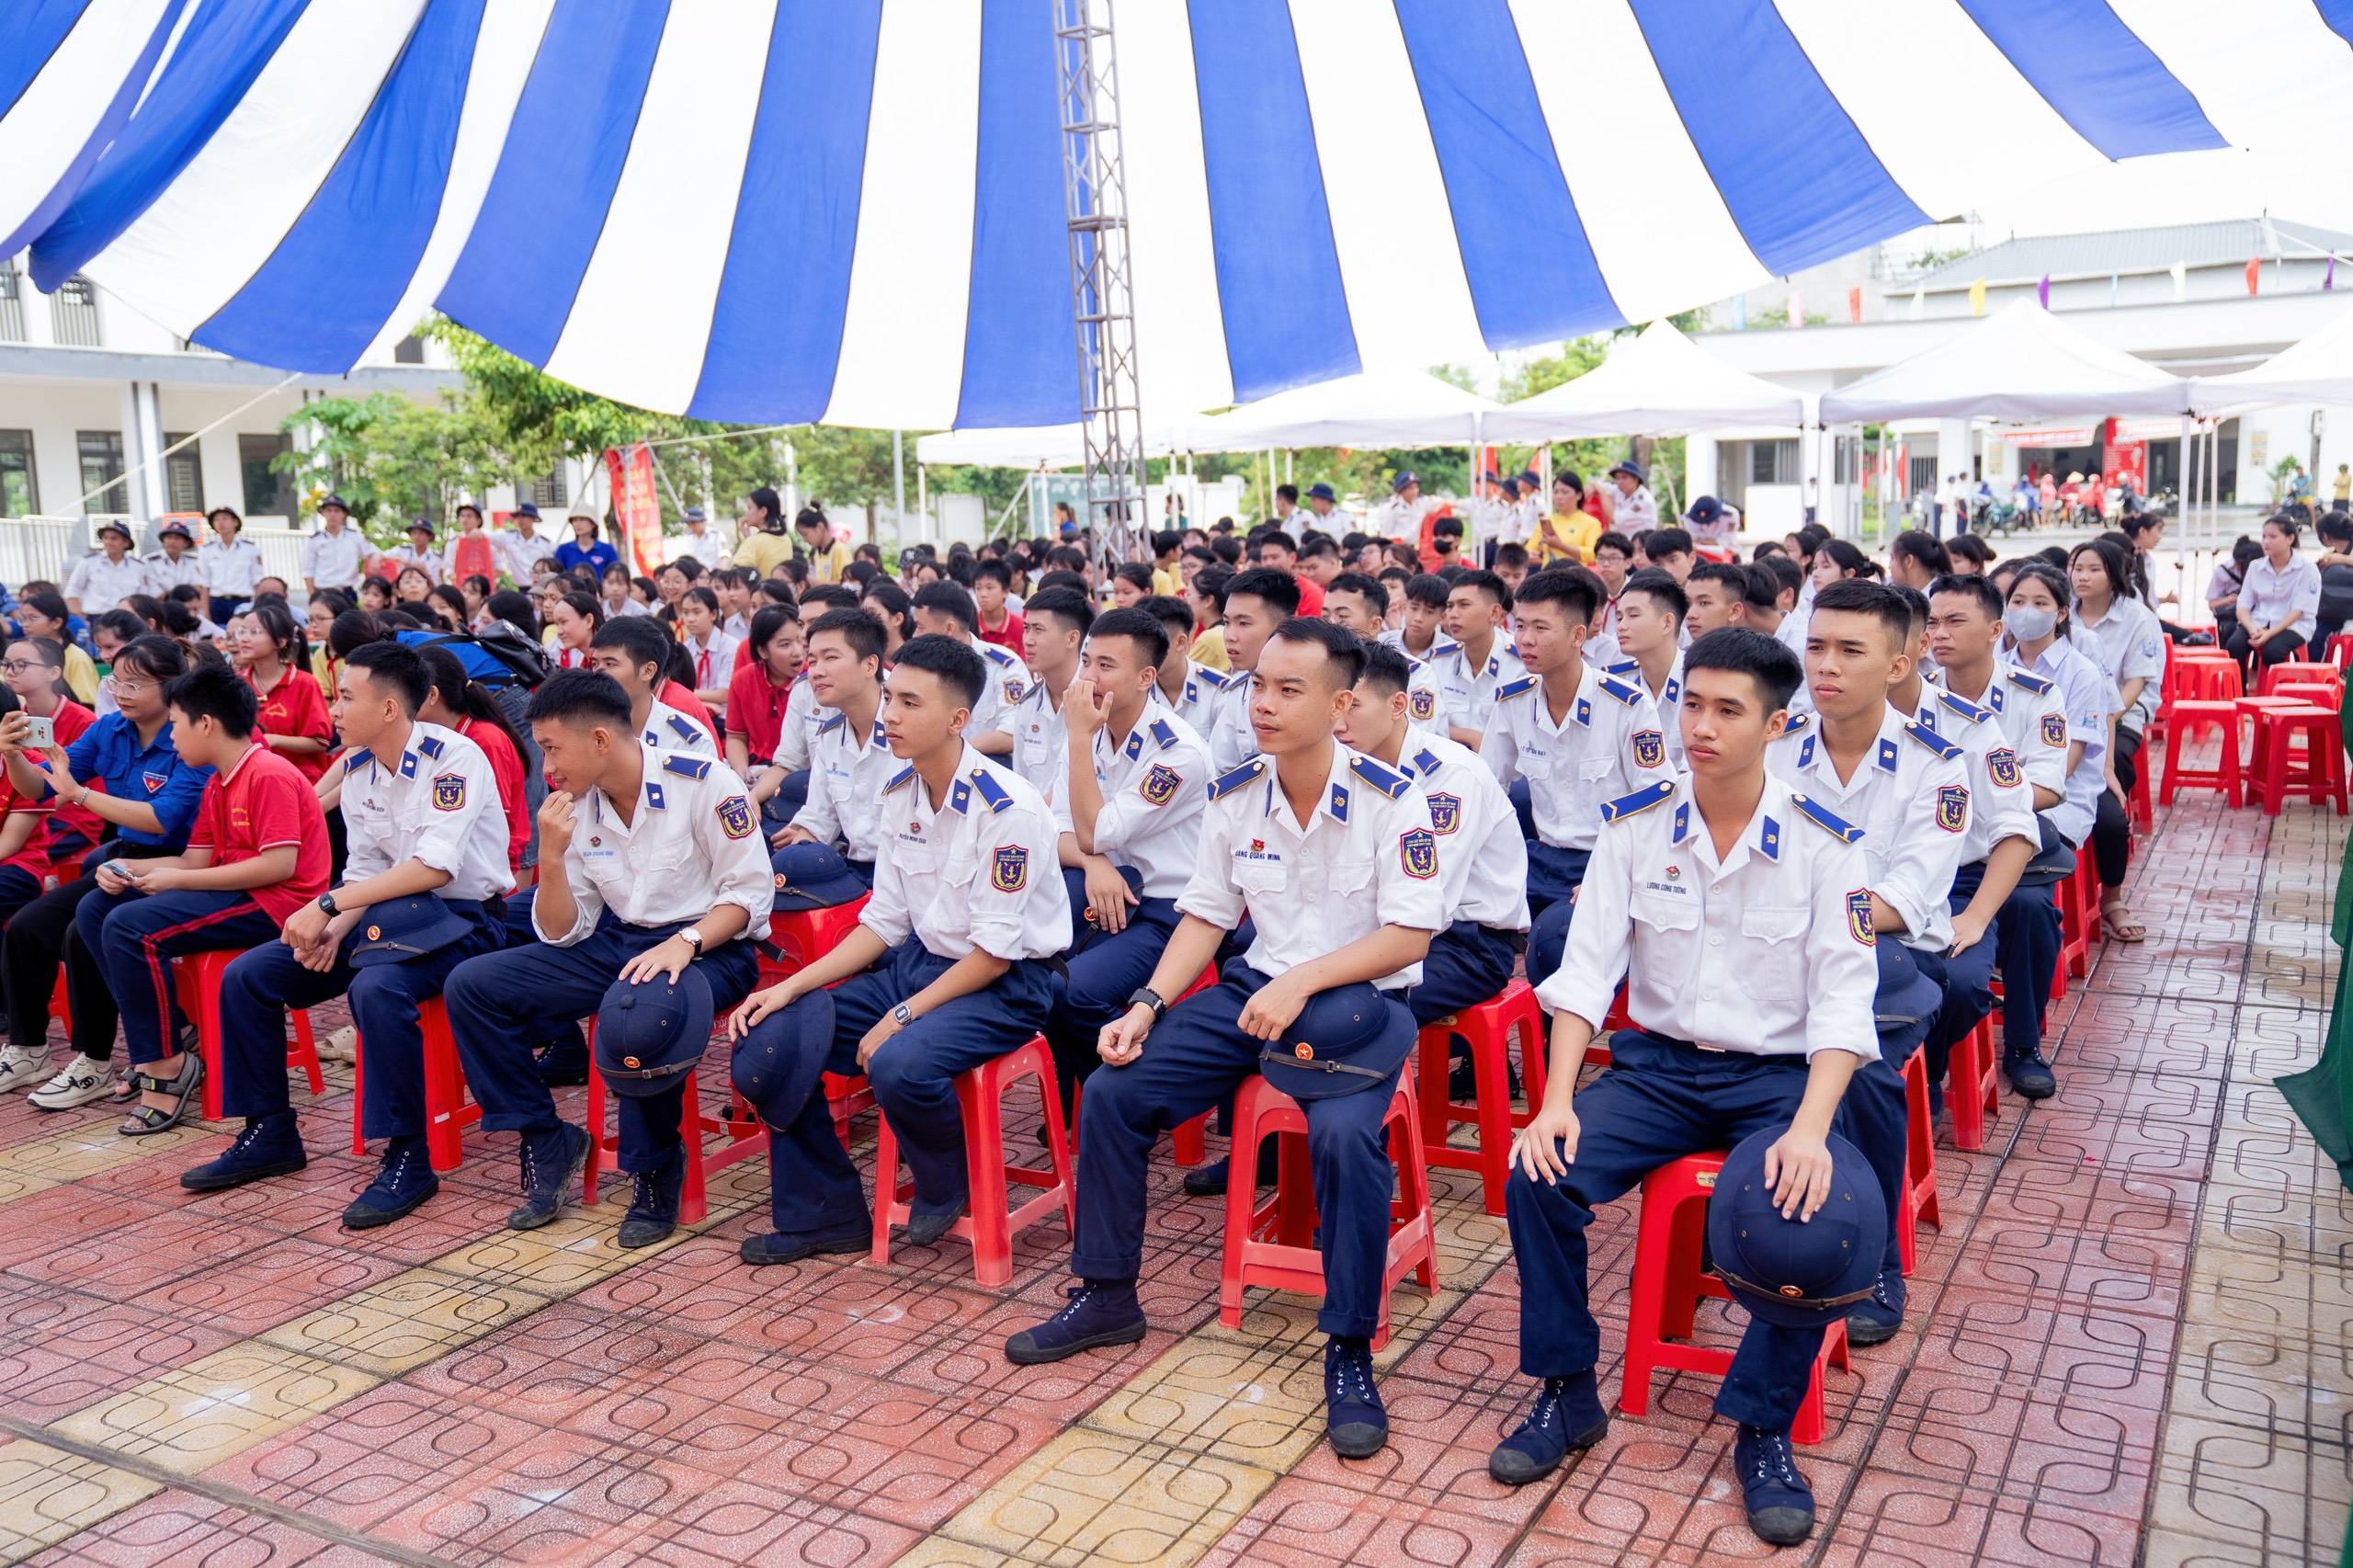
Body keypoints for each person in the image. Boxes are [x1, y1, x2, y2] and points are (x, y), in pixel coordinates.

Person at [1002, 619, 1445, 1463]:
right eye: (1258, 688)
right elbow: (1207, 912)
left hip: (1357, 1006)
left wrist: (1303, 980)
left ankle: (1349, 1349)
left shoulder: (1397, 799)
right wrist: (1147, 1003)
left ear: (1342, 703)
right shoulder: (1238, 793)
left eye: (1289, 690)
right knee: (1112, 1092)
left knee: (1348, 1143)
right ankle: (1105, 1295)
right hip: (1252, 994)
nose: (1264, 704)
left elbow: (1411, 936)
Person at [1495, 627, 1879, 1547]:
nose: (1699, 725)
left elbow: (1844, 999)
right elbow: (1583, 975)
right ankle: (1565, 1387)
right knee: (1536, 1174)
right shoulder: (1635, 824)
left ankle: (1762, 1428)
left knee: (1802, 1220)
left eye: (1726, 710)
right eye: (1690, 703)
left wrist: (1811, 1129)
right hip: (1659, 1070)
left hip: (1774, 1078)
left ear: (1778, 725)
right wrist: (1553, 1101)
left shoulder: (1827, 845)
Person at [728, 636, 1069, 1262]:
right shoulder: (901, 794)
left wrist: (903, 1014)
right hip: (921, 967)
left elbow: (993, 955)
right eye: (890, 697)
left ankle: (949, 1177)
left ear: (958, 719)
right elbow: (882, 922)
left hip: (1004, 987)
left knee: (898, 1063)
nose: (890, 715)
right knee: (774, 1042)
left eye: (910, 703)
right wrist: (793, 986)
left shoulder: (1008, 809)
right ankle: (825, 1216)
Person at [441, 669, 774, 1245]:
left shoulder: (704, 781)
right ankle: (546, 1136)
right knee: (472, 985)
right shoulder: (575, 805)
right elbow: (564, 932)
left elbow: (750, 894)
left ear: (599, 739)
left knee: (639, 1015)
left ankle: (654, 1168)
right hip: (622, 942)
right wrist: (550, 856)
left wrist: (686, 942)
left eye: (551, 748)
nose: (546, 768)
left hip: (712, 947)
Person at [178, 641, 510, 1210]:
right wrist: (336, 926)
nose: (333, 709)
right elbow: (366, 867)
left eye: (346, 697)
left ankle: (409, 1155)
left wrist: (330, 908)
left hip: (463, 920)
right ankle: (271, 1131)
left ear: (388, 708)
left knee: (377, 988)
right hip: (381, 914)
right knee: (250, 976)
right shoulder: (359, 766)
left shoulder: (455, 759)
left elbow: (433, 867)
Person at [1764, 579, 1967, 1346]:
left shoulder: (1934, 766)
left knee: (1864, 1068)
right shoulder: (1775, 749)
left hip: (1893, 960)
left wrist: (1807, 912)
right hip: (1780, 953)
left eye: (1851, 651)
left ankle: (1877, 1260)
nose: (1827, 667)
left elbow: (1907, 898)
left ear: (1898, 664)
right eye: (1816, 647)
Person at [77, 665, 330, 1134]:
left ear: (207, 723)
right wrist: (124, 871)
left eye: (175, 723)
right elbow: (195, 861)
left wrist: (173, 881)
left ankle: (167, 1065)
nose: (171, 736)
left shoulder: (267, 772)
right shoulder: (219, 780)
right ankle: (174, 1036)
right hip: (235, 890)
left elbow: (280, 867)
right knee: (95, 907)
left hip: (275, 903)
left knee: (129, 927)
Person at [0, 637, 208, 1103]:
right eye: (116, 680)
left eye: (135, 683)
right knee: (29, 927)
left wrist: (80, 794)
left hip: (183, 863)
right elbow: (42, 789)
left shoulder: (188, 735)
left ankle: (96, 1060)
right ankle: (29, 1049)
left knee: (83, 929)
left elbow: (162, 817)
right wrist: (14, 755)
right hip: (125, 858)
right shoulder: (109, 729)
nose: (121, 691)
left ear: (171, 685)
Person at [1336, 641, 1527, 1095]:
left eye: (1354, 706)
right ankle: (1270, 1145)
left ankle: (1329, 1150)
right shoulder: (1344, 764)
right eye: (1333, 705)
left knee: (1347, 1012)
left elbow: (1429, 899)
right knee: (1261, 976)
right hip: (1378, 929)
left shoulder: (1447, 775)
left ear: (1399, 704)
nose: (1338, 722)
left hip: (1464, 944)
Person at [1479, 570, 1673, 992]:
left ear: (1577, 635)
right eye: (1519, 626)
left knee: (1555, 943)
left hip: (1603, 861)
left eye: (1540, 628)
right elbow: (1485, 788)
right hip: (1538, 860)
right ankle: (1483, 1054)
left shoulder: (1627, 706)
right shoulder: (1512, 701)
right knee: (1453, 928)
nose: (1524, 640)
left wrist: (1614, 874)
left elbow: (1658, 800)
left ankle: (1552, 1055)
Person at [1922, 574, 2068, 1100]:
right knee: (1942, 971)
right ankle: (1925, 1074)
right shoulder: (1910, 695)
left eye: (1956, 621)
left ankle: (2024, 1044)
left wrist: (1986, 797)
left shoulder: (2035, 695)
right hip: (1934, 860)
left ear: (1994, 630)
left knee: (2030, 911)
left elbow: (2049, 786)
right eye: (1933, 621)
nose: (1940, 633)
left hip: (2007, 849)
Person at [2067, 538, 2164, 943]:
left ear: (2114, 575)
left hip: (2121, 715)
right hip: (2062, 726)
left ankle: (2112, 897)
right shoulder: (2059, 614)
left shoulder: (2137, 618)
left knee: (2114, 772)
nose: (2082, 577)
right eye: (2076, 568)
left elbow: (2134, 683)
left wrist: (2099, 722)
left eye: (2093, 569)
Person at [767, 608, 893, 908]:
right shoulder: (830, 735)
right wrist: (789, 865)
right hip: (854, 871)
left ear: (869, 665)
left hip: (903, 878)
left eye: (830, 658)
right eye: (812, 660)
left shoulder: (908, 731)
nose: (815, 671)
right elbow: (819, 819)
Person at [911, 581, 1030, 759]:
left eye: (921, 627)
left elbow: (1013, 735)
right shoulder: (918, 669)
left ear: (949, 629)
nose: (914, 635)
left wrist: (954, 752)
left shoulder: (1003, 666)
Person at [1196, 569, 1296, 774]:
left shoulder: (1311, 687)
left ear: (1282, 627)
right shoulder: (1239, 691)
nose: (1230, 636)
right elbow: (1219, 769)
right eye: (1226, 623)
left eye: (1244, 623)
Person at [236, 599, 334, 783]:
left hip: (300, 782)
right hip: (251, 781)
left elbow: (320, 742)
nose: (244, 638)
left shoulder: (304, 683)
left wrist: (272, 739)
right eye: (242, 632)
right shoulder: (236, 683)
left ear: (280, 641)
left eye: (254, 632)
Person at [590, 617, 716, 758]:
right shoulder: (585, 726)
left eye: (610, 664)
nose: (598, 674)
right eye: (595, 664)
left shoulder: (685, 740)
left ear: (648, 671)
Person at [1432, 570, 1526, 751]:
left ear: (1494, 613)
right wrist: (1468, 736)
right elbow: (1425, 722)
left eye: (1464, 605)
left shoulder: (1520, 664)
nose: (1453, 614)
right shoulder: (1441, 661)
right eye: (1450, 606)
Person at [1613, 570, 1688, 771]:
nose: (1621, 626)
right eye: (1619, 618)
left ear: (1667, 623)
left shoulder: (1701, 681)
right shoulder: (1617, 684)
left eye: (1633, 615)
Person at [2233, 513, 2322, 673]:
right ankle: (2241, 694)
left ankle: (2284, 693)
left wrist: (2269, 634)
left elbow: (2298, 610)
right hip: (2258, 622)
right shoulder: (2255, 567)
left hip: (2294, 626)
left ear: (2290, 539)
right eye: (2264, 536)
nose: (2266, 542)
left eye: (2273, 537)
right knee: (2234, 646)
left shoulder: (2307, 568)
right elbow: (2243, 604)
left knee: (2272, 653)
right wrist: (2251, 627)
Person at [64, 520, 153, 616]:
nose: (108, 542)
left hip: (128, 618)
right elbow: (73, 590)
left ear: (126, 543)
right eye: (105, 538)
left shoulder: (138, 567)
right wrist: (80, 618)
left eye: (114, 538)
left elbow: (143, 597)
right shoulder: (89, 562)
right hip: (96, 618)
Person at [444, 504, 502, 588]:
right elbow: (448, 569)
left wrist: (481, 582)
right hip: (461, 589)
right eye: (462, 516)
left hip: (485, 589)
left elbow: (500, 569)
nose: (465, 519)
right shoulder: (453, 542)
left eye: (469, 516)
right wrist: (461, 580)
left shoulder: (490, 541)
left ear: (479, 520)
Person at [793, 504, 852, 584]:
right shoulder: (817, 554)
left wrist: (814, 583)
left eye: (806, 534)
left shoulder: (839, 549)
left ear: (820, 527)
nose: (805, 540)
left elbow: (847, 584)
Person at [555, 510, 619, 579]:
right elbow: (557, 575)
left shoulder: (608, 550)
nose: (578, 524)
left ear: (593, 524)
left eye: (582, 520)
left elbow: (615, 574)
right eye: (575, 520)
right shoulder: (563, 549)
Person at [1607, 460, 1657, 533]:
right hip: (1625, 542)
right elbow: (1600, 486)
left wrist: (1600, 492)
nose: (1620, 482)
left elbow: (1614, 519)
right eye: (1617, 478)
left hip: (1642, 542)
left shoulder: (1644, 500)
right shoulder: (1619, 491)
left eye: (1624, 477)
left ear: (1635, 479)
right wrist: (1594, 485)